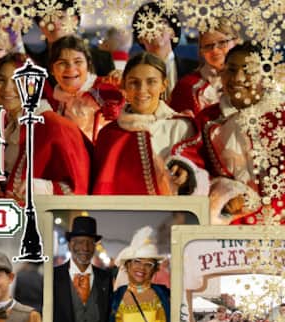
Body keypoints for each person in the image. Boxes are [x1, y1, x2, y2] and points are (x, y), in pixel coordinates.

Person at [0, 53, 90, 202]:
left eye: (17, 81)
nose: (7, 89)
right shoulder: (5, 126)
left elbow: (79, 189)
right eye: (0, 80)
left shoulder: (57, 127)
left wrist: (40, 187)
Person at [92, 52, 209, 196]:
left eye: (151, 82)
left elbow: (200, 178)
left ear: (163, 85)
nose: (142, 89)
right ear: (124, 85)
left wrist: (188, 176)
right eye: (134, 82)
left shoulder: (182, 127)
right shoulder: (109, 134)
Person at [195, 42, 285, 224]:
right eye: (231, 69)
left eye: (249, 70)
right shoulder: (208, 119)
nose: (237, 78)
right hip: (227, 228)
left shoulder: (280, 117)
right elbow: (201, 169)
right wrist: (227, 193)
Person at [45, 35, 124, 143]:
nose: (70, 68)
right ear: (52, 70)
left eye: (78, 62)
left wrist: (125, 85)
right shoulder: (54, 100)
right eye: (62, 63)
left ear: (88, 64)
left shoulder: (104, 89)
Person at [53, 216, 112, 322]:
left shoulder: (105, 278)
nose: (85, 248)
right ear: (70, 245)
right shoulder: (53, 276)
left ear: (95, 247)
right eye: (80, 242)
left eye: (90, 243)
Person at [28, 0, 114, 80]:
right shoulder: (35, 64)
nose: (54, 23)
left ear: (75, 20)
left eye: (61, 17)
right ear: (40, 25)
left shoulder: (102, 59)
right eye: (48, 19)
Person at [110, 226, 170, 322]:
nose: (142, 268)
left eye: (148, 264)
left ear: (155, 269)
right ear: (127, 265)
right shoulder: (113, 299)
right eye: (137, 262)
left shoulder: (166, 296)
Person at [170, 21, 239, 116]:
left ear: (236, 42)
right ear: (201, 51)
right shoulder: (186, 86)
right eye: (208, 46)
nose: (214, 49)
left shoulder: (255, 79)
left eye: (222, 42)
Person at [131, 2, 198, 98]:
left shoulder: (194, 69)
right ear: (140, 38)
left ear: (172, 33)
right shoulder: (133, 73)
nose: (155, 28)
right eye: (148, 24)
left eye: (161, 22)